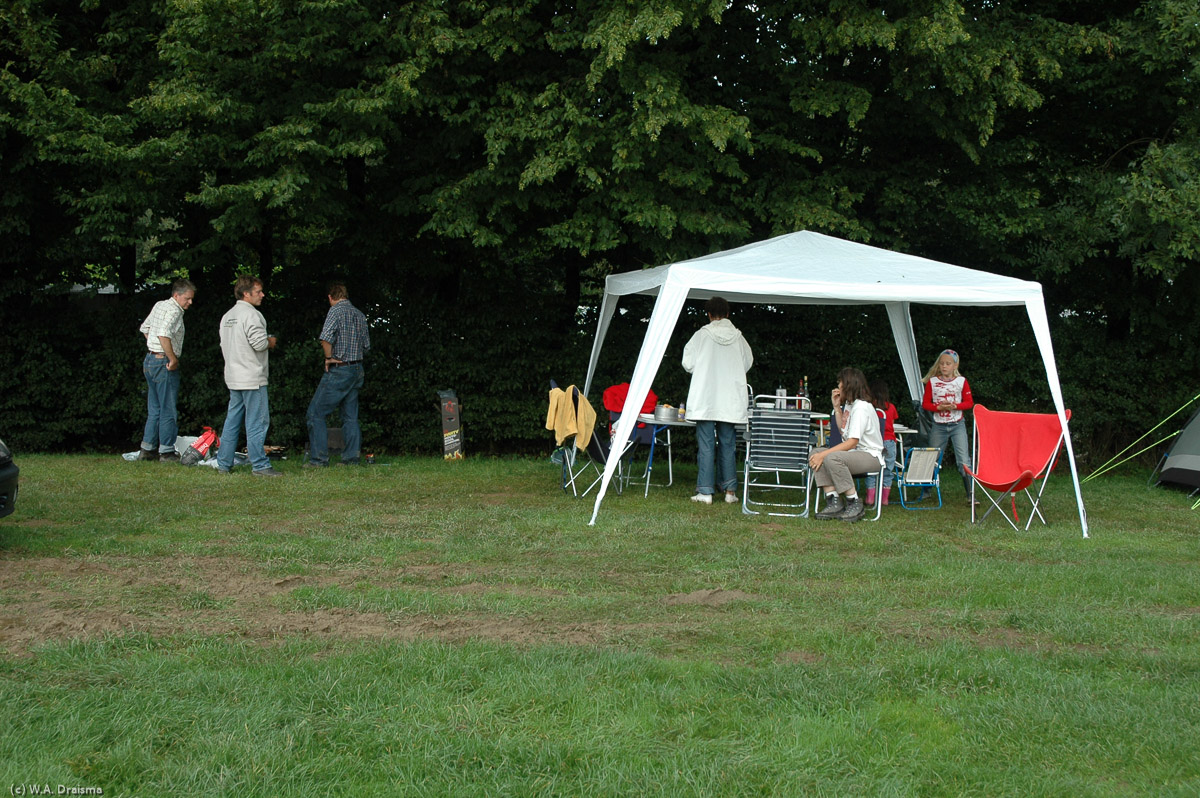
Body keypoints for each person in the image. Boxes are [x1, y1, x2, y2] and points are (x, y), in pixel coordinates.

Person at [681, 296, 753, 505]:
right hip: (729, 399)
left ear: (709, 314)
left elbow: (687, 363)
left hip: (706, 396)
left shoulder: (701, 335)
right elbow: (747, 362)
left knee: (705, 443)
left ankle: (705, 492)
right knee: (728, 443)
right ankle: (730, 491)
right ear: (728, 314)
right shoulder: (738, 338)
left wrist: (703, 369)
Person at [216, 274, 280, 476]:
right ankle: (260, 465)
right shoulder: (252, 315)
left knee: (232, 420)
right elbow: (259, 344)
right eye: (258, 291)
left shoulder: (227, 316)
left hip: (234, 376)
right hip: (252, 377)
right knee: (257, 422)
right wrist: (271, 341)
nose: (262, 295)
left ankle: (224, 463)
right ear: (246, 293)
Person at [305, 280, 371, 467]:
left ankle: (319, 459)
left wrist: (329, 358)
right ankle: (351, 458)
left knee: (315, 414)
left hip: (340, 369)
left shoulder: (335, 311)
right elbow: (366, 346)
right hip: (357, 369)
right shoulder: (359, 314)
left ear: (330, 297)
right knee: (350, 416)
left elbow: (325, 338)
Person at [810, 367, 885, 522]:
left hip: (870, 455)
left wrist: (824, 455)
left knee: (831, 457)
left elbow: (852, 442)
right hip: (854, 454)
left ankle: (854, 502)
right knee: (815, 453)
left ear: (849, 384)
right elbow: (844, 433)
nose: (838, 386)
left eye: (840, 382)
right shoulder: (851, 406)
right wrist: (837, 408)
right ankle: (833, 500)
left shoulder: (862, 407)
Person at [136, 279, 196, 463]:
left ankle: (147, 449)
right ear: (176, 295)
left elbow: (145, 328)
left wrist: (153, 347)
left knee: (154, 408)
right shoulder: (174, 310)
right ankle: (167, 452)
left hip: (150, 360)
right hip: (163, 363)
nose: (190, 303)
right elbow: (163, 334)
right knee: (168, 409)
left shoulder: (159, 305)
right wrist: (172, 357)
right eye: (187, 298)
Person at [921, 348, 975, 502]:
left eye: (948, 364)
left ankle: (970, 493)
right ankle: (926, 490)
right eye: (942, 364)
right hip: (939, 425)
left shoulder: (961, 381)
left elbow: (969, 403)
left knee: (963, 459)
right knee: (932, 457)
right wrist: (938, 408)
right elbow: (926, 404)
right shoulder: (933, 382)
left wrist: (954, 406)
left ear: (955, 366)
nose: (944, 366)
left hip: (957, 424)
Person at [866, 379, 899, 506]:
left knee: (871, 469)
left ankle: (870, 498)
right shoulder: (891, 407)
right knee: (888, 470)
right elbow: (892, 423)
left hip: (874, 441)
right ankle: (884, 499)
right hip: (889, 441)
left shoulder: (870, 407)